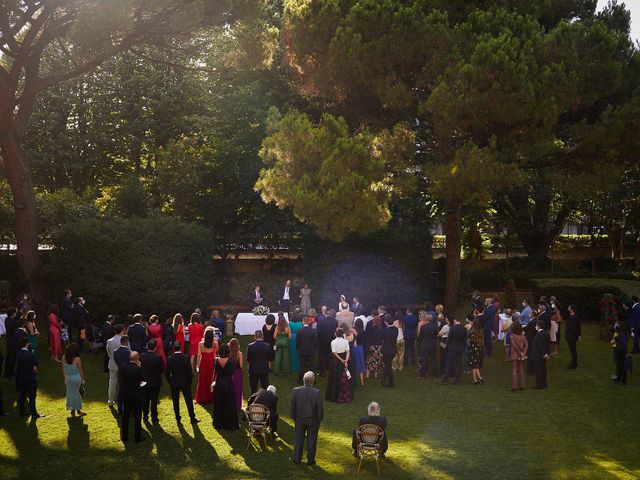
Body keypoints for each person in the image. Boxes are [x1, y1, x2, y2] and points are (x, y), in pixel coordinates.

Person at [291, 371, 324, 465]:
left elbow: (292, 405)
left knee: (298, 439)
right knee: (312, 440)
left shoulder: (295, 391)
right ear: (313, 381)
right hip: (312, 420)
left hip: (299, 419)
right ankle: (310, 460)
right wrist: (319, 419)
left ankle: (297, 459)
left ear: (303, 380)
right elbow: (320, 408)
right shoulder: (316, 393)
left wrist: (294, 418)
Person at [166, 341, 199, 424]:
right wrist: (189, 381)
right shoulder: (186, 358)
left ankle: (178, 418)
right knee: (188, 401)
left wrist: (170, 381)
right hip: (185, 382)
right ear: (180, 347)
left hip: (174, 382)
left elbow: (166, 373)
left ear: (173, 348)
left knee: (175, 401)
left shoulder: (170, 359)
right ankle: (192, 418)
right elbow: (189, 372)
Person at [211, 343, 239, 430]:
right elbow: (232, 372)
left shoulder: (216, 360)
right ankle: (230, 424)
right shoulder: (232, 361)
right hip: (228, 383)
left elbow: (216, 372)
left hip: (219, 383)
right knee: (229, 403)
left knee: (219, 403)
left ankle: (219, 423)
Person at [16, 337, 44, 418]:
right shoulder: (30, 355)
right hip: (31, 379)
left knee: (22, 395)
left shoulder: (19, 354)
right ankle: (34, 413)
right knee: (32, 397)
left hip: (22, 378)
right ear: (27, 344)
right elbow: (35, 367)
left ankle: (22, 412)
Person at [119, 351, 144, 442]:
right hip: (136, 395)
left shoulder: (123, 366)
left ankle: (125, 436)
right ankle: (137, 437)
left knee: (125, 415)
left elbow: (121, 379)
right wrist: (139, 367)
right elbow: (141, 379)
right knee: (137, 416)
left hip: (126, 394)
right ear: (137, 358)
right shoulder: (138, 369)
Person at [140, 340, 163, 423]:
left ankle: (145, 417)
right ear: (155, 348)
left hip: (144, 382)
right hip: (155, 382)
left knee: (145, 400)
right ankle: (154, 417)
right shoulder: (158, 357)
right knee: (154, 401)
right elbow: (161, 370)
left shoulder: (141, 356)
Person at [326, 327, 352, 402]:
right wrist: (346, 361)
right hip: (344, 358)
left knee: (335, 377)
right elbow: (348, 352)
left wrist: (341, 360)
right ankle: (345, 394)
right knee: (344, 377)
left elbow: (334, 352)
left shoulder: (333, 342)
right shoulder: (345, 341)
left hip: (336, 361)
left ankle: (335, 394)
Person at [62, 343, 86, 416]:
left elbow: (63, 370)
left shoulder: (63, 357)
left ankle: (72, 410)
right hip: (76, 378)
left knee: (70, 394)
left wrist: (65, 378)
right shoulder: (77, 359)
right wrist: (82, 379)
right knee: (77, 394)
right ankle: (78, 411)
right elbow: (80, 370)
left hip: (68, 378)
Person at [195, 327, 217, 405]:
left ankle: (202, 398)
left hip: (203, 363)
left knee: (202, 380)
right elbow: (215, 355)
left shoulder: (200, 344)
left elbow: (198, 355)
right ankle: (210, 397)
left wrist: (197, 365)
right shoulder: (214, 344)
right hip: (211, 363)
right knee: (210, 379)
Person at [442, 317, 466, 385]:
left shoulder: (452, 328)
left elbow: (449, 339)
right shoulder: (464, 329)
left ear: (455, 320)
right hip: (460, 348)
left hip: (452, 348)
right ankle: (457, 381)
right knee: (458, 365)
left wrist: (445, 345)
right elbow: (464, 339)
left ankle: (445, 380)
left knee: (449, 364)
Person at [106, 324, 124, 407]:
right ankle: (122, 400)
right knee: (123, 383)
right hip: (123, 364)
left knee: (112, 383)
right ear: (121, 331)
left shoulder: (109, 341)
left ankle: (110, 401)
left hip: (112, 363)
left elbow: (109, 353)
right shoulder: (124, 340)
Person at [296, 316, 317, 385]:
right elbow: (315, 342)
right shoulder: (313, 331)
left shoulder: (299, 331)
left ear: (302, 321)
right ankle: (313, 380)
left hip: (302, 351)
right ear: (308, 322)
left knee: (301, 366)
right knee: (311, 366)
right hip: (310, 351)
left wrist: (298, 349)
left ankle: (300, 380)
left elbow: (297, 342)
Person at [317, 309, 337, 376]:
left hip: (323, 341)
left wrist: (318, 340)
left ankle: (322, 372)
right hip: (332, 341)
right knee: (330, 355)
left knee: (322, 356)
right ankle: (329, 367)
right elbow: (336, 332)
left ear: (325, 314)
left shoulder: (321, 321)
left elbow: (319, 332)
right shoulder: (335, 321)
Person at [531, 320, 551, 389]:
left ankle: (539, 385)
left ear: (539, 326)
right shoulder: (546, 333)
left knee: (538, 370)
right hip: (544, 355)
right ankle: (544, 383)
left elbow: (539, 346)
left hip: (538, 355)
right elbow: (548, 345)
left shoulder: (538, 334)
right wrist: (547, 353)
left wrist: (544, 354)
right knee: (543, 369)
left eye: (536, 325)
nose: (535, 327)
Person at [417, 314, 438, 378]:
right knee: (433, 360)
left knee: (424, 360)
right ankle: (435, 374)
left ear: (426, 319)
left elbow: (420, 336)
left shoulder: (423, 327)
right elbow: (435, 335)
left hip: (424, 345)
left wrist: (420, 342)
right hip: (432, 345)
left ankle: (422, 374)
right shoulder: (435, 327)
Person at [509, 320, 528, 391]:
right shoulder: (523, 336)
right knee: (521, 369)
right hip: (522, 354)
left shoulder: (512, 336)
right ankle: (522, 386)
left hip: (515, 353)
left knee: (514, 369)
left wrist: (519, 352)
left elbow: (514, 345)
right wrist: (524, 353)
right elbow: (526, 345)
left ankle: (514, 386)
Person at [347, 319, 366, 387]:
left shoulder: (353, 330)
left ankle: (352, 379)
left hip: (354, 348)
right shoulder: (363, 332)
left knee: (353, 364)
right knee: (361, 364)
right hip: (360, 348)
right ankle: (362, 382)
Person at [380, 315, 398, 388]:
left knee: (388, 367)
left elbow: (381, 339)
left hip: (387, 350)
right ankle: (383, 381)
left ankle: (391, 383)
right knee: (388, 366)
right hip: (393, 349)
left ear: (386, 322)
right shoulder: (396, 329)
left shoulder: (385, 331)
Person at [365, 313, 384, 379]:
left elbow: (367, 335)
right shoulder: (371, 324)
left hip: (375, 345)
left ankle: (371, 373)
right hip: (373, 345)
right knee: (374, 359)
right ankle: (370, 373)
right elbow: (367, 334)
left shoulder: (378, 325)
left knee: (372, 360)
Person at [611, 320, 628, 385]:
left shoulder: (622, 334)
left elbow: (623, 345)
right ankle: (618, 377)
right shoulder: (618, 333)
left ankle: (623, 381)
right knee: (618, 365)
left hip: (620, 352)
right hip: (617, 350)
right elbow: (613, 341)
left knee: (622, 366)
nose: (615, 326)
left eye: (616, 325)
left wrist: (616, 342)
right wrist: (614, 340)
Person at [229, 337, 244, 411]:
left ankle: (230, 404)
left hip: (230, 373)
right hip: (237, 373)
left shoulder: (228, 353)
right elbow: (241, 365)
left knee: (230, 389)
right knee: (238, 390)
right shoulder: (239, 354)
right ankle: (237, 405)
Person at [565, 305, 582, 369]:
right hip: (571, 336)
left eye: (569, 307)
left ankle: (574, 364)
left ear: (572, 309)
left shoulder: (574, 317)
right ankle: (573, 362)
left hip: (572, 337)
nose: (568, 308)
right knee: (572, 350)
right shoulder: (573, 317)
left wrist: (578, 335)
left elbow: (576, 328)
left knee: (573, 350)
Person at [469, 319, 484, 385]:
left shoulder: (472, 333)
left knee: (474, 365)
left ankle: (475, 380)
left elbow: (470, 340)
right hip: (479, 349)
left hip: (473, 349)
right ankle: (480, 377)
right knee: (477, 363)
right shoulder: (481, 332)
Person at [4, 308, 19, 378]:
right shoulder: (11, 321)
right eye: (15, 313)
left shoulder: (7, 319)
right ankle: (10, 373)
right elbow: (14, 331)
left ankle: (7, 371)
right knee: (12, 358)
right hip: (12, 341)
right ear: (13, 313)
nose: (16, 314)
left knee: (8, 357)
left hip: (8, 340)